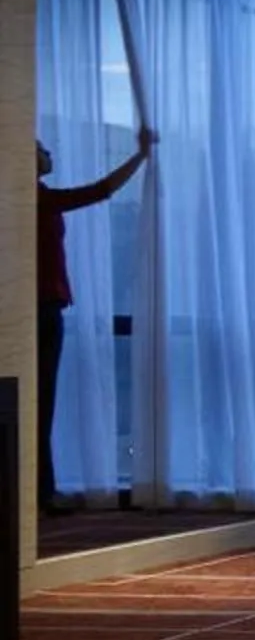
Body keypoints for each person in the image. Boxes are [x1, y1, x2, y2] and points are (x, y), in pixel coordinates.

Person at [38, 126, 156, 511]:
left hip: (42, 307)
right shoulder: (36, 201)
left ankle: (40, 492)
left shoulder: (36, 199)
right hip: (41, 309)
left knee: (39, 403)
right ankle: (40, 493)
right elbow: (100, 190)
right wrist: (139, 156)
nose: (47, 152)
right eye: (40, 149)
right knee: (39, 402)